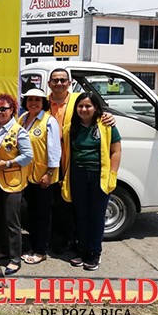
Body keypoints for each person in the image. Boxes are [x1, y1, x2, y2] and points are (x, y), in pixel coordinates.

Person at [46, 68, 115, 253]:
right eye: (55, 80)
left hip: (70, 162)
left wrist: (108, 116)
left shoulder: (79, 100)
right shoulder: (42, 102)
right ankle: (58, 241)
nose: (59, 83)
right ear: (49, 83)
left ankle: (77, 243)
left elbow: (98, 113)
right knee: (54, 204)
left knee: (74, 207)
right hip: (49, 162)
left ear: (69, 83)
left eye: (62, 80)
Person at [62, 92, 122, 271]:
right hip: (77, 174)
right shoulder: (69, 128)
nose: (84, 109)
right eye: (80, 106)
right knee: (80, 214)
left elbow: (116, 151)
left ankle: (94, 252)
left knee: (96, 216)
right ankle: (82, 249)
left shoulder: (106, 125)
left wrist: (112, 174)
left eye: (88, 106)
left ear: (95, 107)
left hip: (99, 175)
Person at [0, 93, 33, 276]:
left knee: (12, 222)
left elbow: (28, 156)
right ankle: (2, 251)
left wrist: (8, 163)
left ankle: (15, 259)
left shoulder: (18, 131)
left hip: (12, 183)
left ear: (12, 110)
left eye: (3, 109)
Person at [18, 88, 61, 265]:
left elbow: (54, 150)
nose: (33, 103)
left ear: (43, 102)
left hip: (44, 177)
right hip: (28, 176)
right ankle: (33, 246)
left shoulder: (49, 121)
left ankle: (41, 250)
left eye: (37, 100)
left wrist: (49, 173)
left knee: (43, 215)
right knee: (32, 213)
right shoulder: (23, 118)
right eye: (30, 99)